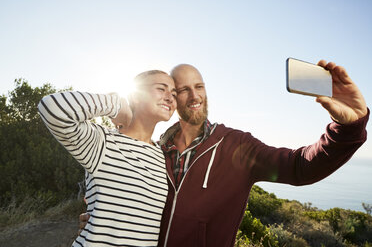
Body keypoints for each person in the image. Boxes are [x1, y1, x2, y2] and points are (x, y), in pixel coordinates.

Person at [80, 60, 369, 247]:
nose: (195, 96)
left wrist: (347, 128)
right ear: (171, 98)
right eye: (183, 89)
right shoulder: (157, 153)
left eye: (200, 86)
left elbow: (299, 166)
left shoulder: (237, 145)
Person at [38, 70, 177, 246]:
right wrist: (117, 104)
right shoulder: (102, 141)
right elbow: (51, 107)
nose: (170, 98)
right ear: (136, 96)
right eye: (161, 89)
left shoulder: (163, 156)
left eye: (174, 94)